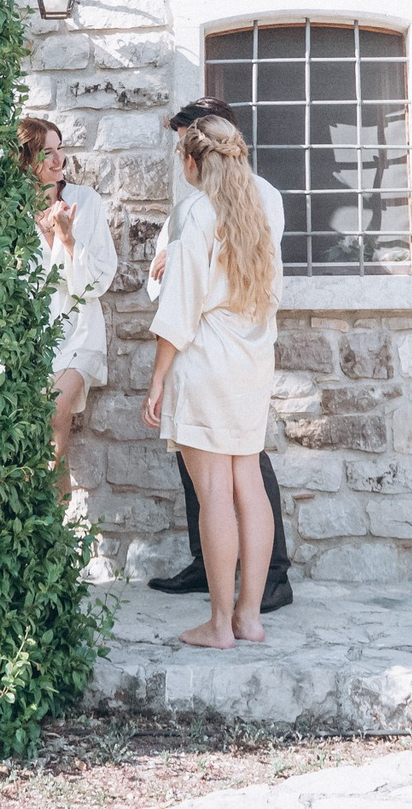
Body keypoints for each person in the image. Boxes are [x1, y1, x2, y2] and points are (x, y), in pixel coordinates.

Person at [143, 111, 284, 649]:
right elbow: (273, 297)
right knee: (249, 486)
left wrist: (158, 379)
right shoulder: (261, 207)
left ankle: (219, 625)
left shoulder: (194, 213)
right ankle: (249, 618)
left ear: (192, 161)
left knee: (214, 496)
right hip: (251, 360)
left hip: (206, 359)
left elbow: (180, 308)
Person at [20, 117, 115, 497]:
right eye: (47, 152)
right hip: (34, 339)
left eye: (60, 149)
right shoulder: (12, 212)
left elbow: (101, 277)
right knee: (50, 432)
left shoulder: (84, 201)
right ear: (27, 159)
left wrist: (69, 239)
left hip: (80, 332)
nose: (59, 159)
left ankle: (47, 514)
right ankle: (51, 522)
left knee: (53, 409)